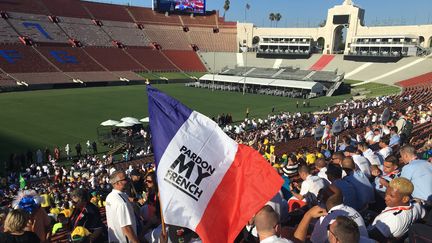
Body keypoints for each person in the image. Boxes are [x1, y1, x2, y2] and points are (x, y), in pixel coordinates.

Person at [106, 171, 139, 243]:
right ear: (117, 183)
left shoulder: (110, 196)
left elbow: (127, 198)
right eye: (125, 179)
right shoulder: (121, 203)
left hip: (113, 239)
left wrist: (137, 200)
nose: (127, 180)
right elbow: (126, 228)